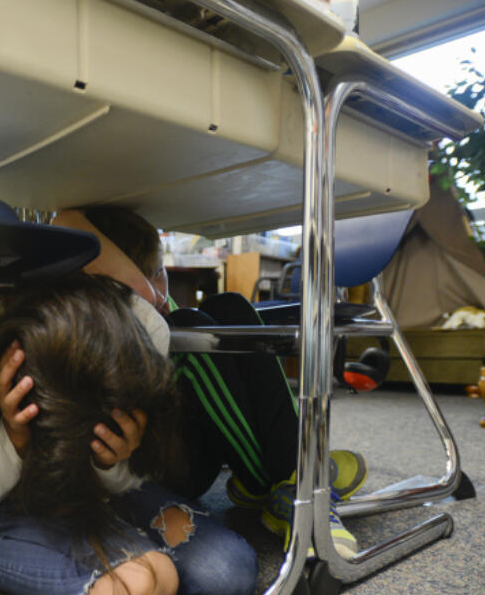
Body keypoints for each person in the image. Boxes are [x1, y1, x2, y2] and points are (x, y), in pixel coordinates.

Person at [0, 273, 257, 595]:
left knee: (227, 574)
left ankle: (95, 548)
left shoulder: (143, 324)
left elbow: (136, 474)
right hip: (3, 494)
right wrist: (14, 440)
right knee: (142, 588)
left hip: (102, 485)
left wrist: (112, 462)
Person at [51, 206, 365, 559]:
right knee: (188, 329)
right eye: (146, 278)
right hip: (154, 467)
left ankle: (281, 478)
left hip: (192, 444)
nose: (158, 289)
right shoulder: (97, 316)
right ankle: (292, 482)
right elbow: (64, 217)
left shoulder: (159, 305)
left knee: (228, 306)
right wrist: (145, 293)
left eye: (160, 273)